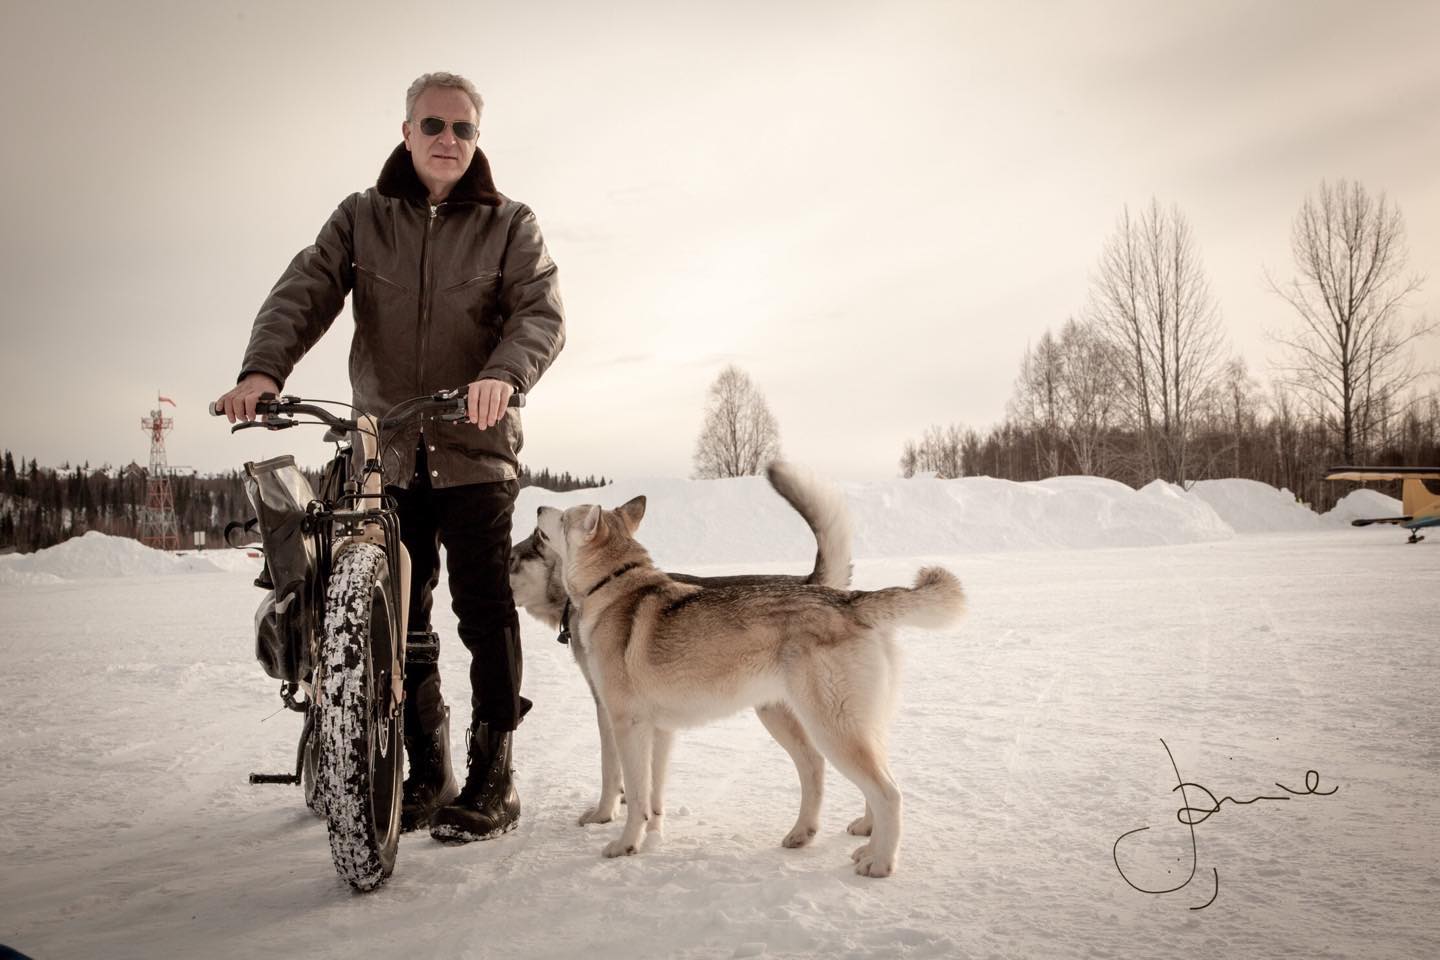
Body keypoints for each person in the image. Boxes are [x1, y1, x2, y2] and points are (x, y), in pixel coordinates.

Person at [216, 71, 565, 844]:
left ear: (478, 140)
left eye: (463, 129)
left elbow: (539, 312)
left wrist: (502, 377)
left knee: (483, 612)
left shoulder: (510, 225)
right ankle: (426, 770)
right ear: (407, 133)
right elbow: (307, 287)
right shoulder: (361, 217)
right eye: (433, 125)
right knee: (398, 616)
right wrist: (263, 369)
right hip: (386, 450)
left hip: (475, 452)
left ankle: (492, 775)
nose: (448, 140)